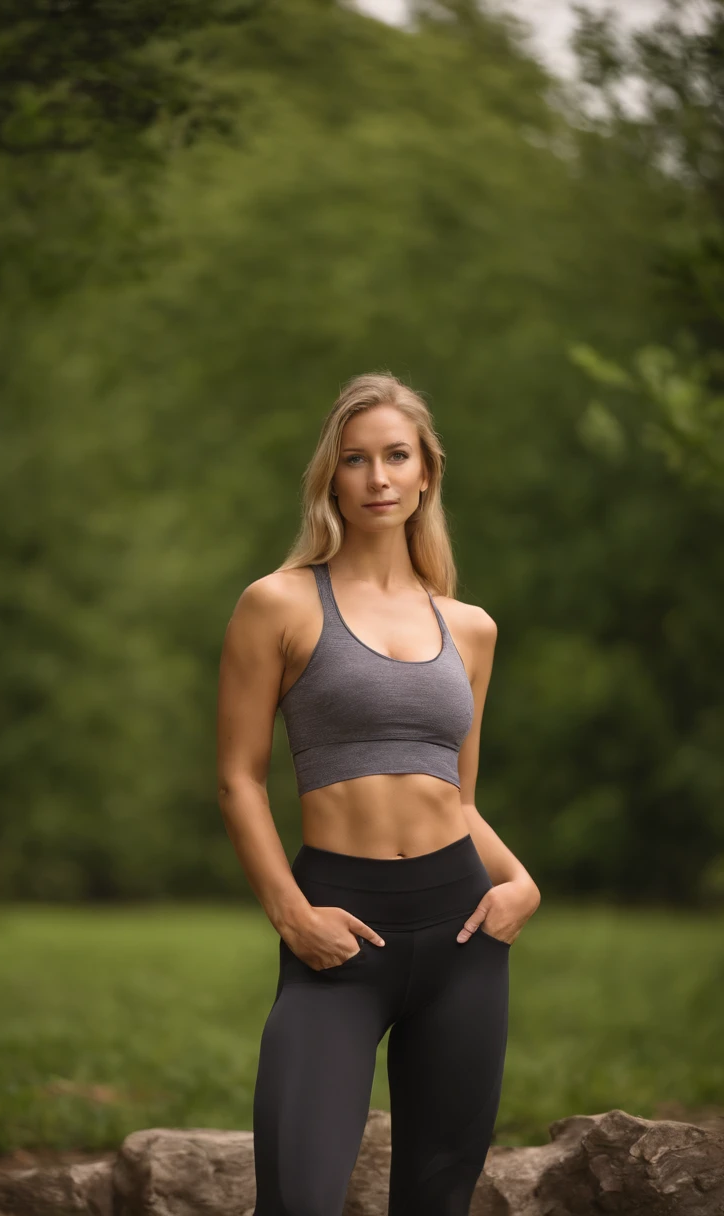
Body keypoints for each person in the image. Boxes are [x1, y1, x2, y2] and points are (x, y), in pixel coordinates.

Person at [216, 371, 541, 1216]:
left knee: (438, 1198)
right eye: (356, 461)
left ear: (427, 470)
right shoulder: (278, 604)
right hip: (340, 929)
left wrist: (522, 883)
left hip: (461, 933)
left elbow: (458, 799)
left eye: (397, 457)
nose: (378, 479)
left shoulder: (469, 627)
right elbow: (238, 780)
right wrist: (291, 914)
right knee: (300, 1197)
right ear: (332, 476)